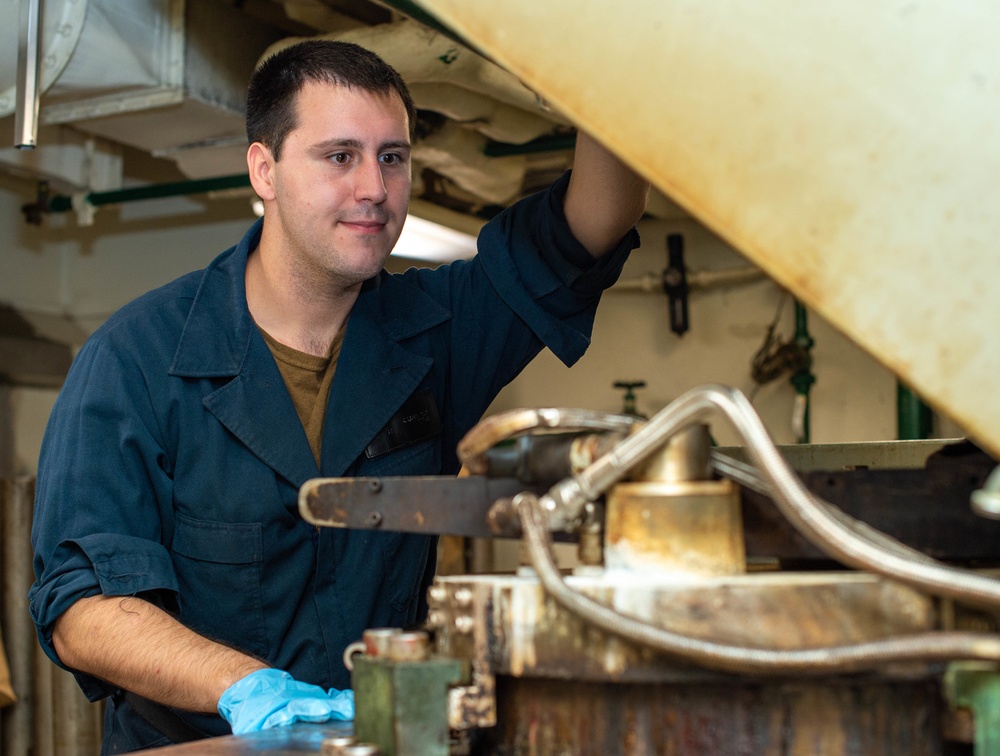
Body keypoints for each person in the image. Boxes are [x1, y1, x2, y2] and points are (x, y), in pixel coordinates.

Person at [29, 39, 649, 753]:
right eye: (339, 156)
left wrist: (615, 49)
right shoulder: (134, 360)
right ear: (264, 169)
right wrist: (240, 686)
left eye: (393, 157)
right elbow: (82, 610)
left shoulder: (435, 336)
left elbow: (595, 224)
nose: (374, 189)